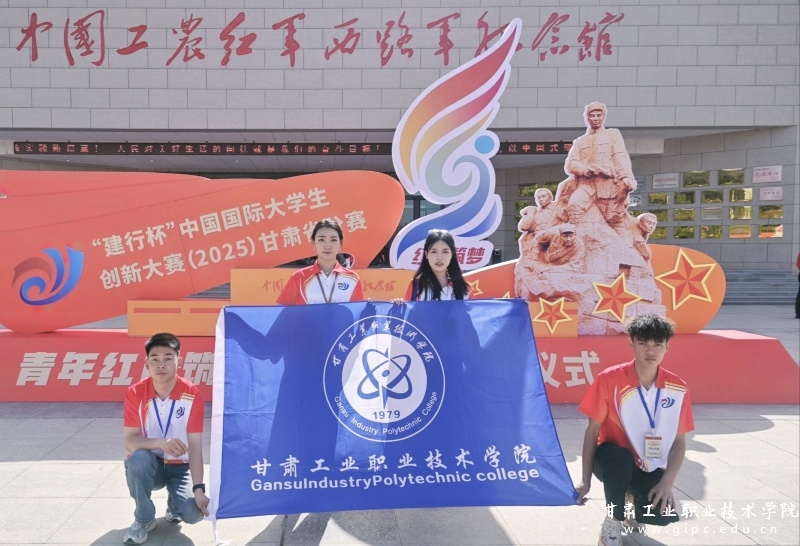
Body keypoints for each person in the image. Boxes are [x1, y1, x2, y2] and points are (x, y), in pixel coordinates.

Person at [575, 314, 693, 546]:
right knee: (620, 458)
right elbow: (592, 431)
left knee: (661, 514)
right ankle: (613, 520)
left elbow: (679, 441)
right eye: (643, 343)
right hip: (610, 461)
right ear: (631, 343)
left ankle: (631, 503)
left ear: (667, 346)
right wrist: (585, 481)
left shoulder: (677, 388)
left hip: (647, 465)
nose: (650, 351)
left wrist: (667, 482)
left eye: (657, 344)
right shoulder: (610, 379)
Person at [122, 333, 209, 544]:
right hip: (150, 464)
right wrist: (161, 443)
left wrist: (199, 489)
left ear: (179, 361)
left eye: (168, 358)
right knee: (137, 459)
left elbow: (195, 446)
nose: (161, 364)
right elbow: (130, 441)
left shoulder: (192, 394)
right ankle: (144, 518)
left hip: (180, 467)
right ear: (147, 363)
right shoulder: (135, 393)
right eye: (155, 359)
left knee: (193, 514)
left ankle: (174, 505)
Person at [562, 102, 637, 228]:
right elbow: (571, 163)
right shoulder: (579, 141)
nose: (596, 118)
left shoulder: (612, 134)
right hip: (586, 185)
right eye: (592, 115)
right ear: (587, 118)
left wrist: (626, 177)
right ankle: (572, 238)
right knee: (574, 206)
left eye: (599, 115)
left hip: (608, 185)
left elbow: (620, 155)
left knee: (614, 221)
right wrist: (584, 170)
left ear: (604, 117)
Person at [277, 218, 364, 305]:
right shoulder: (299, 277)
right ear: (313, 244)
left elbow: (358, 311)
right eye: (321, 240)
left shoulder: (353, 278)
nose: (327, 246)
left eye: (333, 240)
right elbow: (281, 309)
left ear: (340, 244)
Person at [404, 229, 470, 301]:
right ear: (426, 254)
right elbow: (408, 306)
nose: (439, 258)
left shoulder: (464, 288)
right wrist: (399, 304)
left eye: (445, 252)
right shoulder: (416, 286)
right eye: (434, 252)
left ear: (452, 254)